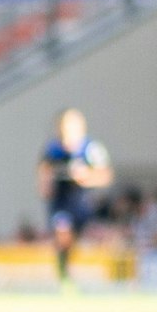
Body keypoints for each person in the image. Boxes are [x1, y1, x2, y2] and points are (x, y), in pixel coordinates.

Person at [38, 108, 112, 289]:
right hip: (61, 204)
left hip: (84, 204)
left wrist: (86, 177)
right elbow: (44, 178)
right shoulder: (52, 151)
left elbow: (105, 176)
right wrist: (46, 185)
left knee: (98, 235)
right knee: (63, 232)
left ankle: (107, 277)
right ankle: (65, 276)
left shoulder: (91, 149)